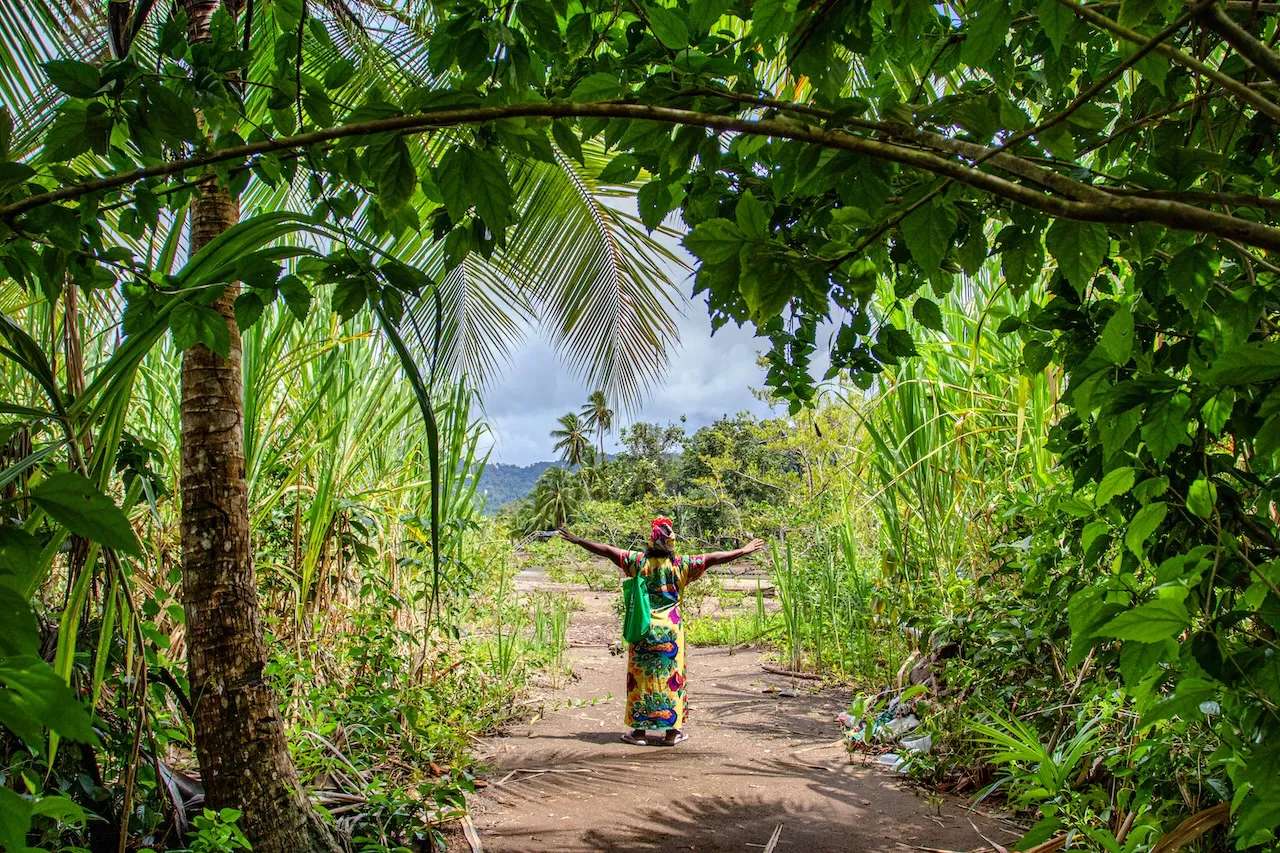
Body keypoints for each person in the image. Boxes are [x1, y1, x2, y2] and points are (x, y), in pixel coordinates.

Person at [559, 518, 765, 746]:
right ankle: (671, 733)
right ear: (671, 543)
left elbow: (607, 551)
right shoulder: (681, 565)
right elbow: (715, 558)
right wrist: (744, 550)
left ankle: (638, 733)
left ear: (650, 542)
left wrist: (578, 540)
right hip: (671, 631)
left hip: (643, 628)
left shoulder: (637, 562)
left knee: (641, 680)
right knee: (671, 679)